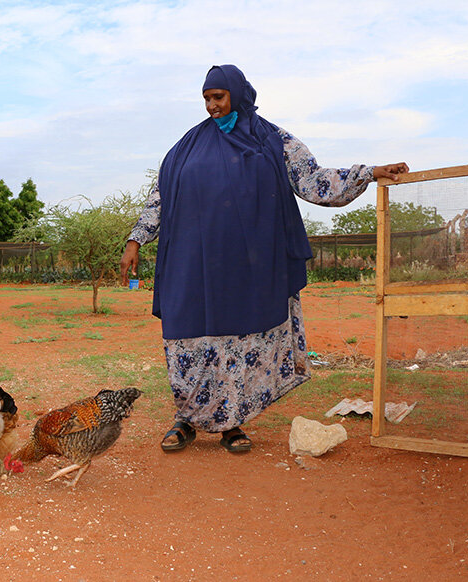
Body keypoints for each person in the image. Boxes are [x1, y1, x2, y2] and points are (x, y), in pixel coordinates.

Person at [120, 64, 408, 453]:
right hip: (192, 266)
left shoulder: (271, 139)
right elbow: (160, 198)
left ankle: (232, 425)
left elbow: (313, 180)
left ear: (237, 94)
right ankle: (185, 420)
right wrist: (136, 240)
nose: (211, 106)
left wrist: (369, 172)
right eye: (206, 99)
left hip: (248, 267)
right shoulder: (185, 148)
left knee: (239, 341)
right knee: (188, 339)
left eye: (218, 97)